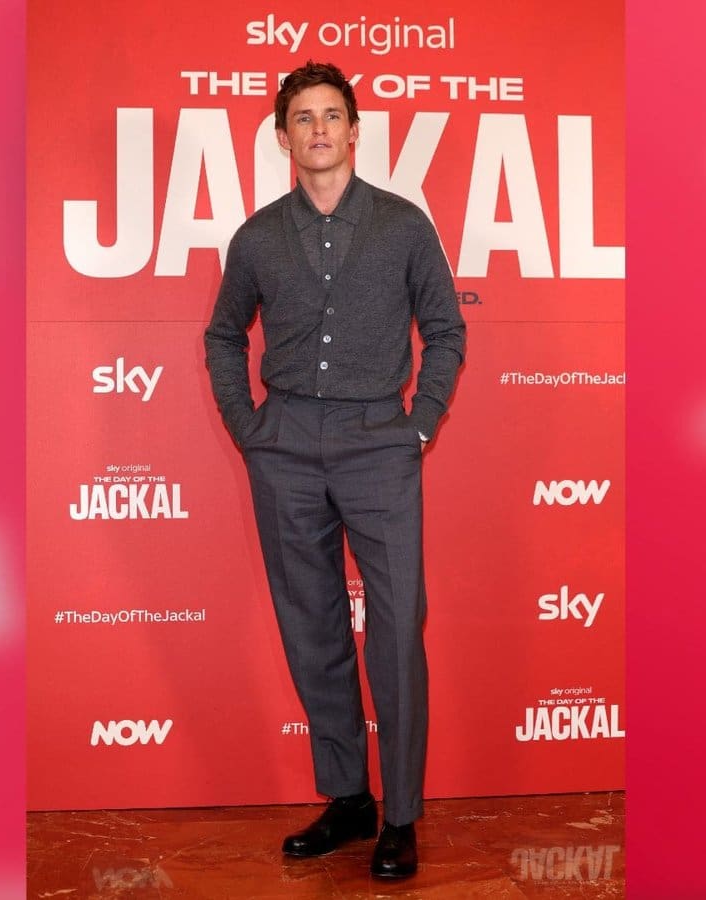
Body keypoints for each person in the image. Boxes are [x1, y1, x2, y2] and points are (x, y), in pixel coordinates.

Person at [203, 59, 466, 880]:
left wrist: (418, 423)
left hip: (378, 441)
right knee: (312, 626)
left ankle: (402, 815)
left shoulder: (403, 225)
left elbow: (447, 330)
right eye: (302, 118)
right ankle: (349, 799)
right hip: (284, 443)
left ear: (354, 130)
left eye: (330, 116)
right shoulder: (256, 237)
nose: (318, 129)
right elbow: (222, 336)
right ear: (283, 138)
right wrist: (249, 428)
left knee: (396, 629)